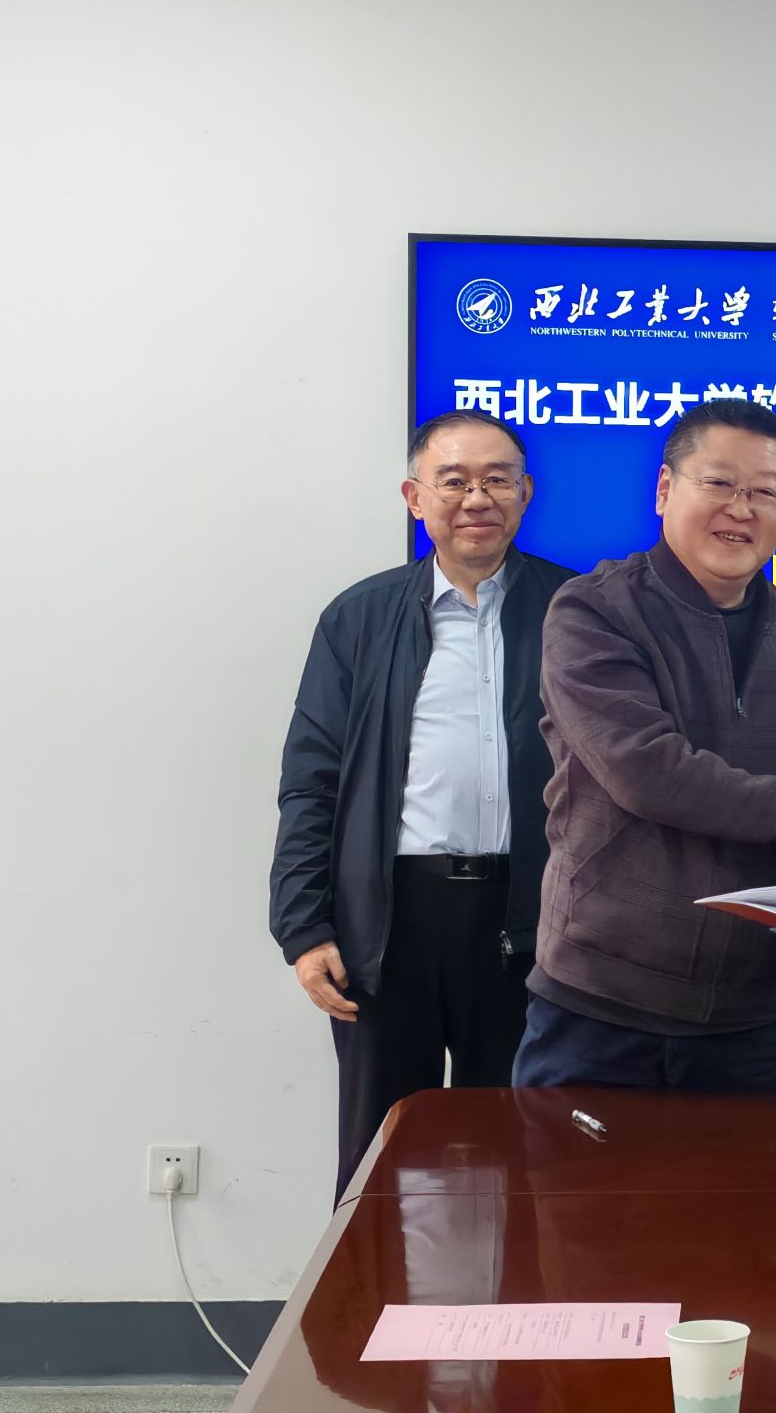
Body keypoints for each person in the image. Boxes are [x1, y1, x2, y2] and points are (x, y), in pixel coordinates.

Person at [512, 399, 776, 1091]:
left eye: (765, 492)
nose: (741, 509)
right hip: (601, 1007)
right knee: (569, 1170)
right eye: (720, 483)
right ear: (665, 489)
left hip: (752, 1020)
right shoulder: (594, 610)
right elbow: (647, 770)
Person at [271, 409, 577, 1199]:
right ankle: (369, 1287)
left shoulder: (574, 611)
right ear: (415, 498)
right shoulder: (359, 618)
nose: (477, 498)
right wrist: (304, 927)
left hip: (529, 918)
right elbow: (311, 781)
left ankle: (519, 1290)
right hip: (389, 923)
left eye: (497, 480)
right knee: (381, 1155)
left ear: (526, 494)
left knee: (521, 1158)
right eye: (454, 481)